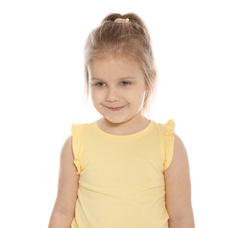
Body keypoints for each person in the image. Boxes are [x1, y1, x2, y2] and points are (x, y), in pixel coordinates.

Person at [48, 13, 195, 228]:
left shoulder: (168, 145)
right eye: (100, 84)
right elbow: (62, 212)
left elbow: (181, 216)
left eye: (125, 83)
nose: (111, 96)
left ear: (149, 80)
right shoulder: (76, 144)